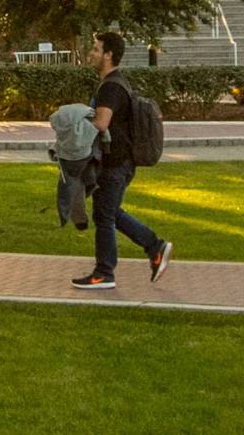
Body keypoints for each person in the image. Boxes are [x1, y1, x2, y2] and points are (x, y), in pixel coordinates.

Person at [72, 30, 173, 290]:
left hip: (115, 163)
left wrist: (75, 127)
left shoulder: (111, 86)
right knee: (109, 212)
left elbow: (102, 123)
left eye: (96, 49)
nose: (91, 53)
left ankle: (104, 273)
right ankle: (155, 246)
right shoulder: (115, 83)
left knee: (104, 216)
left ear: (108, 55)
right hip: (119, 162)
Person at [48, 100, 97, 232]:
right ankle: (80, 219)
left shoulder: (61, 123)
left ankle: (76, 219)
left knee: (70, 187)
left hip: (66, 157)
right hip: (84, 157)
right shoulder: (88, 123)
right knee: (81, 185)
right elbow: (103, 130)